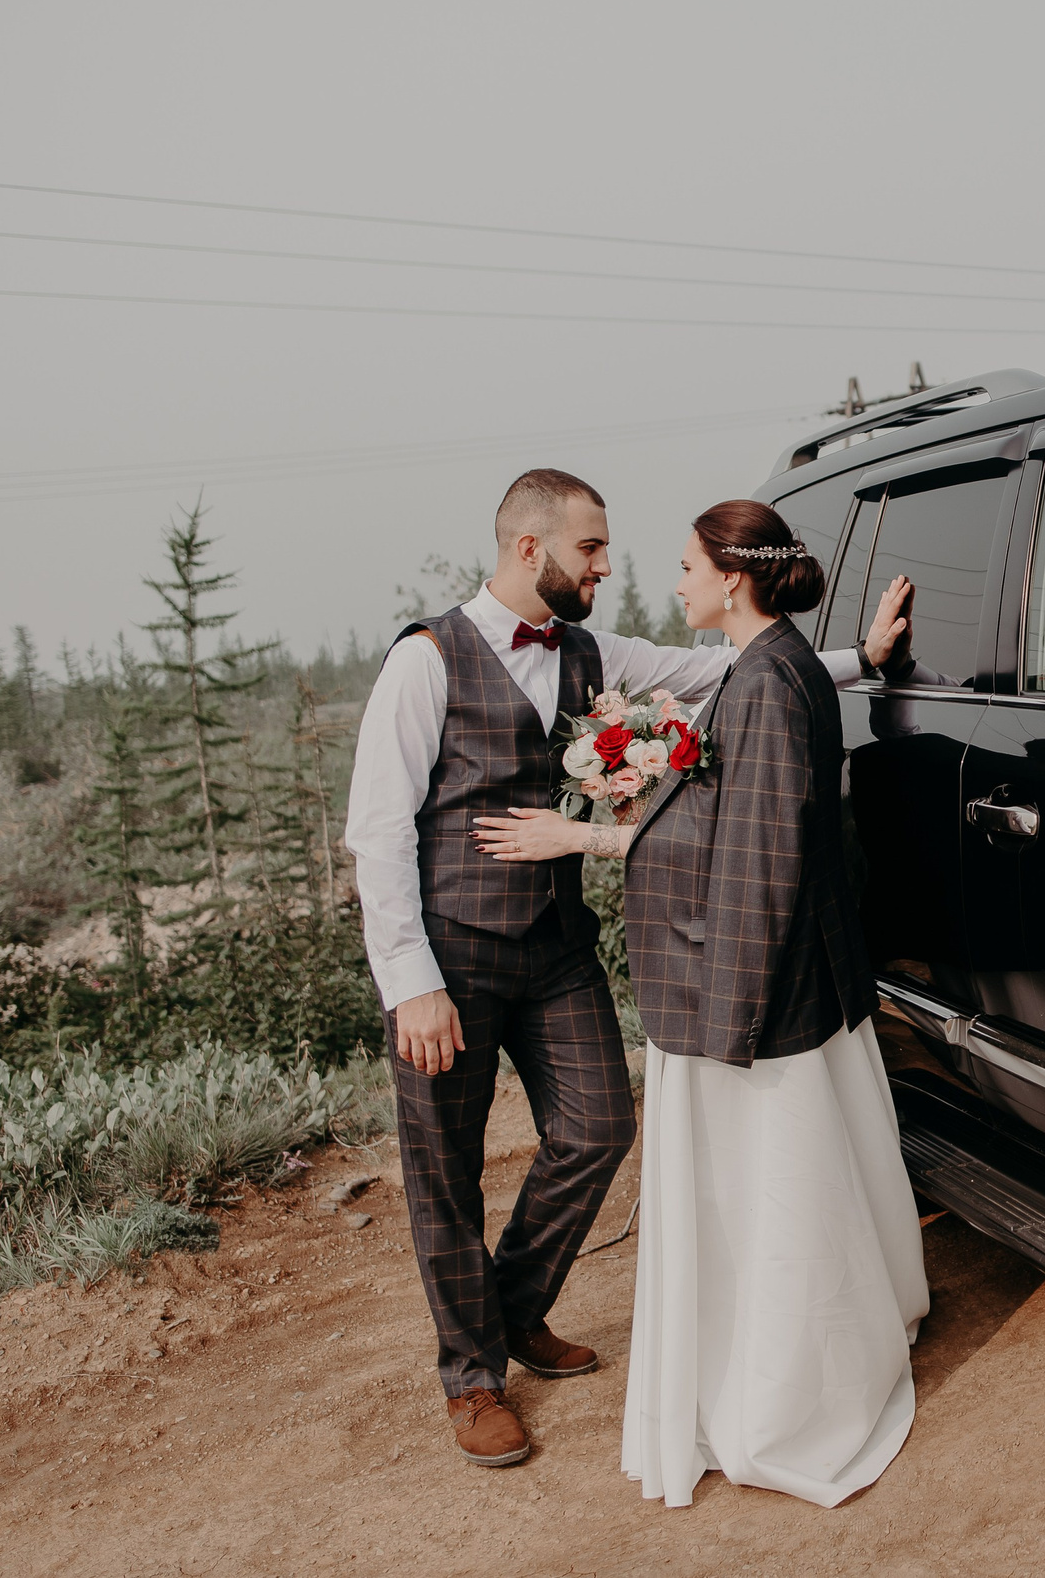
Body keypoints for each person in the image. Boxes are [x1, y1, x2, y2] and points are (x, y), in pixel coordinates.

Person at [344, 467, 913, 1468]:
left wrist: (858, 658)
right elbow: (376, 831)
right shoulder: (424, 662)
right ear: (531, 551)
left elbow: (725, 673)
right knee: (445, 1170)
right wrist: (412, 982)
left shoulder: (587, 649)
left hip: (555, 948)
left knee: (601, 1126)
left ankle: (514, 1306)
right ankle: (472, 1379)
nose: (608, 566)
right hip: (452, 957)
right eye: (592, 550)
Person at [487, 497, 927, 1508]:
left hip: (740, 995)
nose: (673, 581)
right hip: (766, 981)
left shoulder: (768, 684)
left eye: (686, 566)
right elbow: (740, 813)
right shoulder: (773, 666)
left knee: (770, 1202)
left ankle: (783, 1406)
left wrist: (593, 837)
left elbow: (759, 860)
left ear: (731, 576)